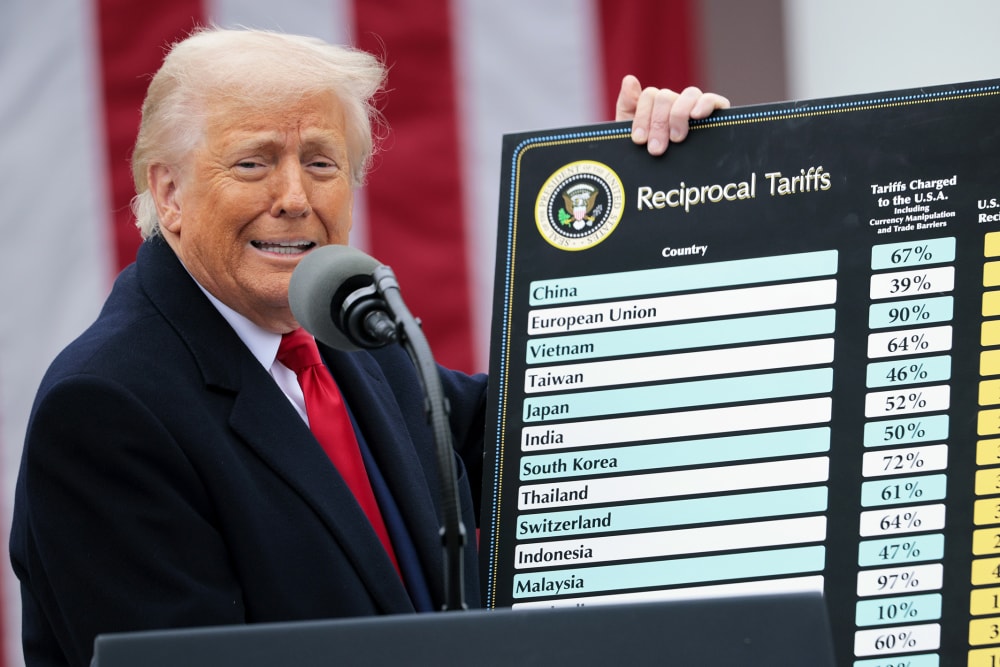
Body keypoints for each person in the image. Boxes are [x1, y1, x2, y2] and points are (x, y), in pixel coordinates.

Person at [9, 26, 730, 667]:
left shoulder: (352, 332)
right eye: (254, 163)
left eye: (321, 163)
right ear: (168, 192)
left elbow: (551, 440)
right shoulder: (106, 410)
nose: (295, 196)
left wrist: (656, 197)